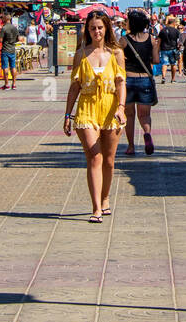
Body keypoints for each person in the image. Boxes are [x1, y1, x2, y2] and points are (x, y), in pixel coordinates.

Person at [62, 11, 126, 222]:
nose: (96, 31)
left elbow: (120, 83)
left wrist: (122, 107)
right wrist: (67, 114)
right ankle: (96, 207)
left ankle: (105, 198)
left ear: (106, 28)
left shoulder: (115, 53)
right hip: (87, 107)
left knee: (108, 159)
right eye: (92, 28)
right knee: (94, 155)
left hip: (110, 108)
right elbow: (75, 86)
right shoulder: (81, 53)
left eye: (99, 27)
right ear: (87, 30)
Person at [120, 11, 159, 155]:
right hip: (145, 79)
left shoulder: (124, 40)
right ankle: (147, 133)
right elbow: (156, 60)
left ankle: (131, 146)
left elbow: (117, 59)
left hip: (128, 80)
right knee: (144, 115)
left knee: (129, 115)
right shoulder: (151, 39)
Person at [0, 10, 20, 90]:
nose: (1, 19)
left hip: (5, 49)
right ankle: (14, 84)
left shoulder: (4, 28)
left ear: (6, 18)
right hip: (12, 49)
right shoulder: (14, 28)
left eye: (2, 17)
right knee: (13, 66)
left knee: (5, 67)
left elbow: (0, 40)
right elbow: (18, 39)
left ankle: (6, 84)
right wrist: (12, 41)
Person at [158, 14, 181, 83]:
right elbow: (179, 41)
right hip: (173, 49)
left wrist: (158, 49)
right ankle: (173, 79)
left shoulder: (162, 30)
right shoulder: (176, 31)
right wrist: (179, 48)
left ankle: (163, 78)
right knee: (173, 64)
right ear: (173, 23)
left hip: (164, 49)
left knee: (164, 64)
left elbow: (159, 41)